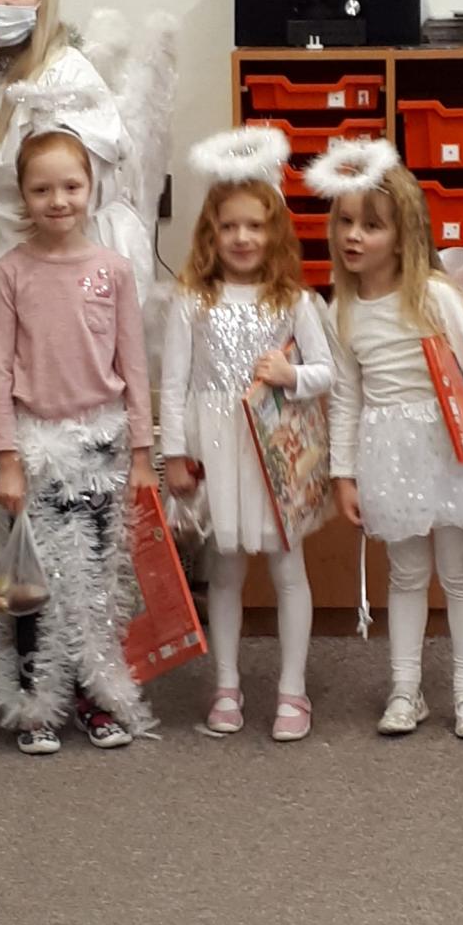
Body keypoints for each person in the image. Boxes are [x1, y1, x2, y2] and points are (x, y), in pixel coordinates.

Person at [0, 0, 164, 634]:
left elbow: (85, 191)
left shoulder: (65, 74)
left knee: (70, 507)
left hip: (46, 295)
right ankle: (0, 630)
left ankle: (82, 643)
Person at [307, 139, 463, 739]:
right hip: (385, 453)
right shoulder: (342, 309)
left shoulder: (434, 295)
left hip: (447, 448)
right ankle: (406, 691)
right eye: (345, 222)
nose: (354, 236)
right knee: (404, 574)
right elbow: (346, 397)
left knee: (457, 571)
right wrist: (343, 474)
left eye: (371, 225)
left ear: (402, 236)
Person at [0, 129, 158, 754]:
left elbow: (134, 365)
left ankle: (92, 697)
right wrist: (7, 460)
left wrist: (141, 455)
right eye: (42, 189)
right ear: (23, 195)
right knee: (36, 584)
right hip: (36, 451)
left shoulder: (113, 271)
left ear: (91, 188)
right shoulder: (11, 273)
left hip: (101, 449)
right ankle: (37, 704)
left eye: (71, 186)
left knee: (96, 580)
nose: (58, 200)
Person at [161, 127, 335, 742]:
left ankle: (293, 690)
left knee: (288, 569)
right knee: (226, 570)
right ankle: (226, 685)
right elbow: (174, 382)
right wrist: (174, 454)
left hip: (274, 452)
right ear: (211, 232)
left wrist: (292, 375)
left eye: (255, 226)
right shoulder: (192, 300)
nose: (241, 238)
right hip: (216, 452)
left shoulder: (295, 301)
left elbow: (328, 372)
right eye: (229, 226)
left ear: (275, 231)